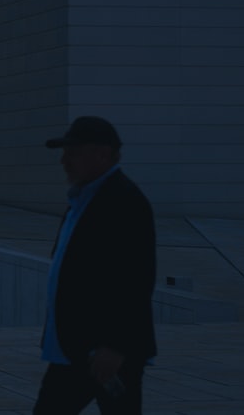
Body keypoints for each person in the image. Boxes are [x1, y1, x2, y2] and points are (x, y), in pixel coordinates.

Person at [35, 117, 156, 415]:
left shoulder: (123, 201)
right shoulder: (84, 198)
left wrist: (115, 345)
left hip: (103, 353)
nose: (64, 161)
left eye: (73, 153)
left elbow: (136, 279)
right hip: (77, 347)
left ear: (102, 154)